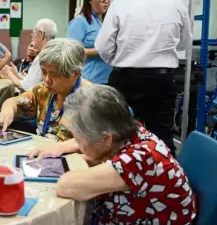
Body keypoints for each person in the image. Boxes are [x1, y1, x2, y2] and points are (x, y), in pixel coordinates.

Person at [28, 85, 196, 224]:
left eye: (79, 140)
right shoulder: (129, 132)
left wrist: (73, 155)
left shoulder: (140, 157)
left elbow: (66, 186)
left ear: (106, 139)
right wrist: (62, 148)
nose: (77, 145)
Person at [94, 0, 192, 154]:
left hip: (126, 80)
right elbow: (183, 44)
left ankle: (120, 180)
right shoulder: (176, 4)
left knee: (118, 136)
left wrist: (120, 61)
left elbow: (103, 48)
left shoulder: (120, 5)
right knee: (162, 137)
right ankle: (163, 181)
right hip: (162, 80)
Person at [0, 39, 91, 140]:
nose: (47, 80)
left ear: (75, 74)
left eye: (55, 75)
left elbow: (99, 145)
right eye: (44, 72)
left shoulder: (93, 100)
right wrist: (6, 112)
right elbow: (13, 102)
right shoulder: (43, 91)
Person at [68, 0, 113, 84]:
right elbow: (71, 52)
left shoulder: (107, 21)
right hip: (90, 79)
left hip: (109, 78)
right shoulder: (80, 21)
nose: (106, 2)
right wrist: (101, 51)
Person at [0, 18, 57, 92]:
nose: (32, 38)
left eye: (33, 34)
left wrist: (8, 72)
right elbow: (32, 81)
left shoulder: (43, 56)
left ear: (41, 35)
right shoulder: (54, 51)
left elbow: (27, 87)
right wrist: (16, 74)